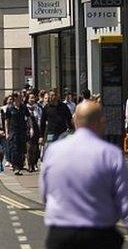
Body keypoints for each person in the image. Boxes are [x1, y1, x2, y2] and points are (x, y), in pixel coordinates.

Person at [40, 100, 128, 249]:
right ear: (100, 122)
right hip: (99, 236)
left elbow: (44, 194)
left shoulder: (53, 151)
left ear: (75, 121)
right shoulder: (111, 155)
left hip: (61, 235)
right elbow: (124, 202)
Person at [4, 96, 30, 175]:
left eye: (20, 97)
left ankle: (20, 165)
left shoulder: (23, 107)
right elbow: (6, 120)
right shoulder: (10, 108)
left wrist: (31, 128)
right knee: (14, 149)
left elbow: (28, 118)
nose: (19, 99)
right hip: (13, 131)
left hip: (22, 130)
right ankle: (15, 167)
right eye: (17, 97)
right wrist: (7, 132)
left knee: (21, 149)